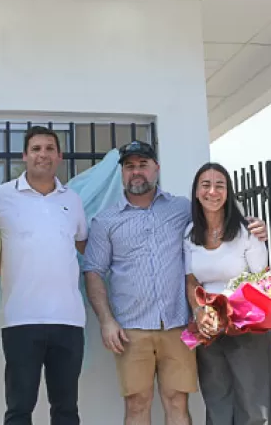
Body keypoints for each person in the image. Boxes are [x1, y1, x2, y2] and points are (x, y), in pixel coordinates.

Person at [83, 141, 198, 425]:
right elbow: (93, 271)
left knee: (177, 401)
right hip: (130, 330)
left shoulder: (182, 209)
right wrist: (107, 321)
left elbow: (218, 226)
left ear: (156, 169)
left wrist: (252, 225)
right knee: (137, 404)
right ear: (122, 172)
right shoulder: (105, 221)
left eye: (143, 165)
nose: (136, 172)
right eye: (130, 166)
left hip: (178, 325)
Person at [0, 126, 88, 425]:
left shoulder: (73, 200)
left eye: (48, 148)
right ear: (25, 155)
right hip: (20, 319)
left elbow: (82, 244)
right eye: (36, 149)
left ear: (59, 156)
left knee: (66, 409)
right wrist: (8, 272)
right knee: (19, 409)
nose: (42, 154)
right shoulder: (0, 197)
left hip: (69, 320)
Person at [185, 162, 271, 425]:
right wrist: (201, 313)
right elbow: (191, 280)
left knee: (253, 404)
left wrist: (233, 312)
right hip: (208, 328)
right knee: (216, 400)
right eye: (206, 185)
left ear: (228, 192)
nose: (213, 191)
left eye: (219, 185)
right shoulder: (189, 234)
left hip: (246, 327)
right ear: (196, 192)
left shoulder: (248, 231)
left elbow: (261, 279)